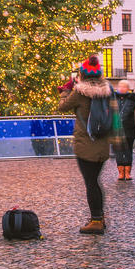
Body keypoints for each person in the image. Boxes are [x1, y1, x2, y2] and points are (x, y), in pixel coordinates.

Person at [58, 55, 118, 235]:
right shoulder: (108, 90)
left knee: (91, 183)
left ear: (82, 74)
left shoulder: (79, 92)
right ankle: (99, 217)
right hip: (101, 144)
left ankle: (96, 220)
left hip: (85, 144)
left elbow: (62, 106)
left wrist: (65, 90)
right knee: (96, 181)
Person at [114, 80, 135, 181]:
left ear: (127, 88)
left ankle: (127, 172)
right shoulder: (113, 98)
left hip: (129, 129)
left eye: (124, 87)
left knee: (128, 151)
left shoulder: (133, 99)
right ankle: (121, 172)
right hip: (116, 129)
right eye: (120, 86)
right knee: (119, 151)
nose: (122, 88)